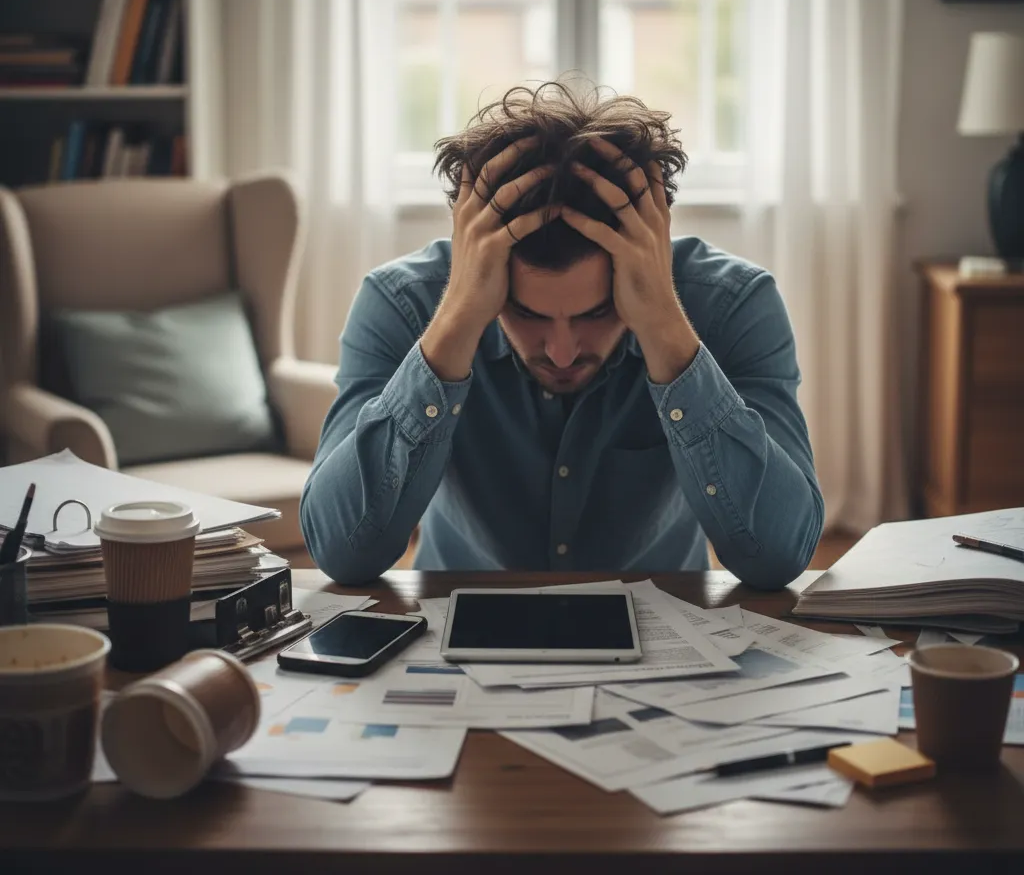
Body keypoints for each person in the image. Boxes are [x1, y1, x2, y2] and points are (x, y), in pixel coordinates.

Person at [301, 82, 823, 588]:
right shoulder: (401, 304)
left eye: (597, 312)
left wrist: (664, 325)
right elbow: (343, 553)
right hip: (452, 628)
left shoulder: (734, 304)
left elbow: (778, 556)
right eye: (526, 313)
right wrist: (458, 319)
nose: (562, 352)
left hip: (668, 630)